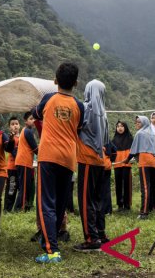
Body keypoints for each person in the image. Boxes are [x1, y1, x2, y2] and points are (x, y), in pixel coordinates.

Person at [31, 62, 85, 264]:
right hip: (68, 158)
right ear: (76, 83)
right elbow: (79, 128)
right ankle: (52, 241)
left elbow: (35, 114)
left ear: (55, 81)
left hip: (48, 156)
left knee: (47, 203)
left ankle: (51, 250)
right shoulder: (79, 106)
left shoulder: (48, 99)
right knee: (60, 203)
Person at [73, 79, 111, 252]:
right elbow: (106, 140)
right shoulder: (103, 113)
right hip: (99, 159)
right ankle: (100, 234)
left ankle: (91, 239)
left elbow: (75, 128)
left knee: (85, 199)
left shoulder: (85, 109)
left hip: (87, 158)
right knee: (96, 199)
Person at [118, 116, 155, 220]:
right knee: (151, 186)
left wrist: (127, 160)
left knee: (145, 187)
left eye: (139, 122)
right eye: (136, 122)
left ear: (144, 123)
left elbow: (133, 151)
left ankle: (144, 213)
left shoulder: (140, 133)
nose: (137, 124)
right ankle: (150, 207)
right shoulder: (152, 134)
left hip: (145, 161)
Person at [14, 112, 39, 212]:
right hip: (24, 162)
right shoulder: (28, 131)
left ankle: (21, 208)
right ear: (25, 121)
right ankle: (19, 209)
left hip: (23, 162)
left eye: (34, 119)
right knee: (24, 188)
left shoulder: (26, 130)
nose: (33, 121)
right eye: (31, 119)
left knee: (25, 187)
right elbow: (35, 148)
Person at [112, 121, 133, 212]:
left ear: (125, 127)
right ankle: (120, 205)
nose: (120, 128)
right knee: (118, 185)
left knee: (127, 184)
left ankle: (127, 205)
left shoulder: (130, 138)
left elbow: (133, 151)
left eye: (122, 126)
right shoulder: (114, 139)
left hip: (127, 164)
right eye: (118, 126)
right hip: (117, 165)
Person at [3, 116, 21, 213]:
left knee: (20, 188)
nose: (15, 126)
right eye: (12, 124)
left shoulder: (23, 137)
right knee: (11, 188)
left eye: (16, 124)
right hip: (12, 167)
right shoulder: (10, 138)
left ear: (20, 125)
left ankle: (18, 209)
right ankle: (7, 209)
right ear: (9, 127)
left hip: (21, 167)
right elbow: (13, 151)